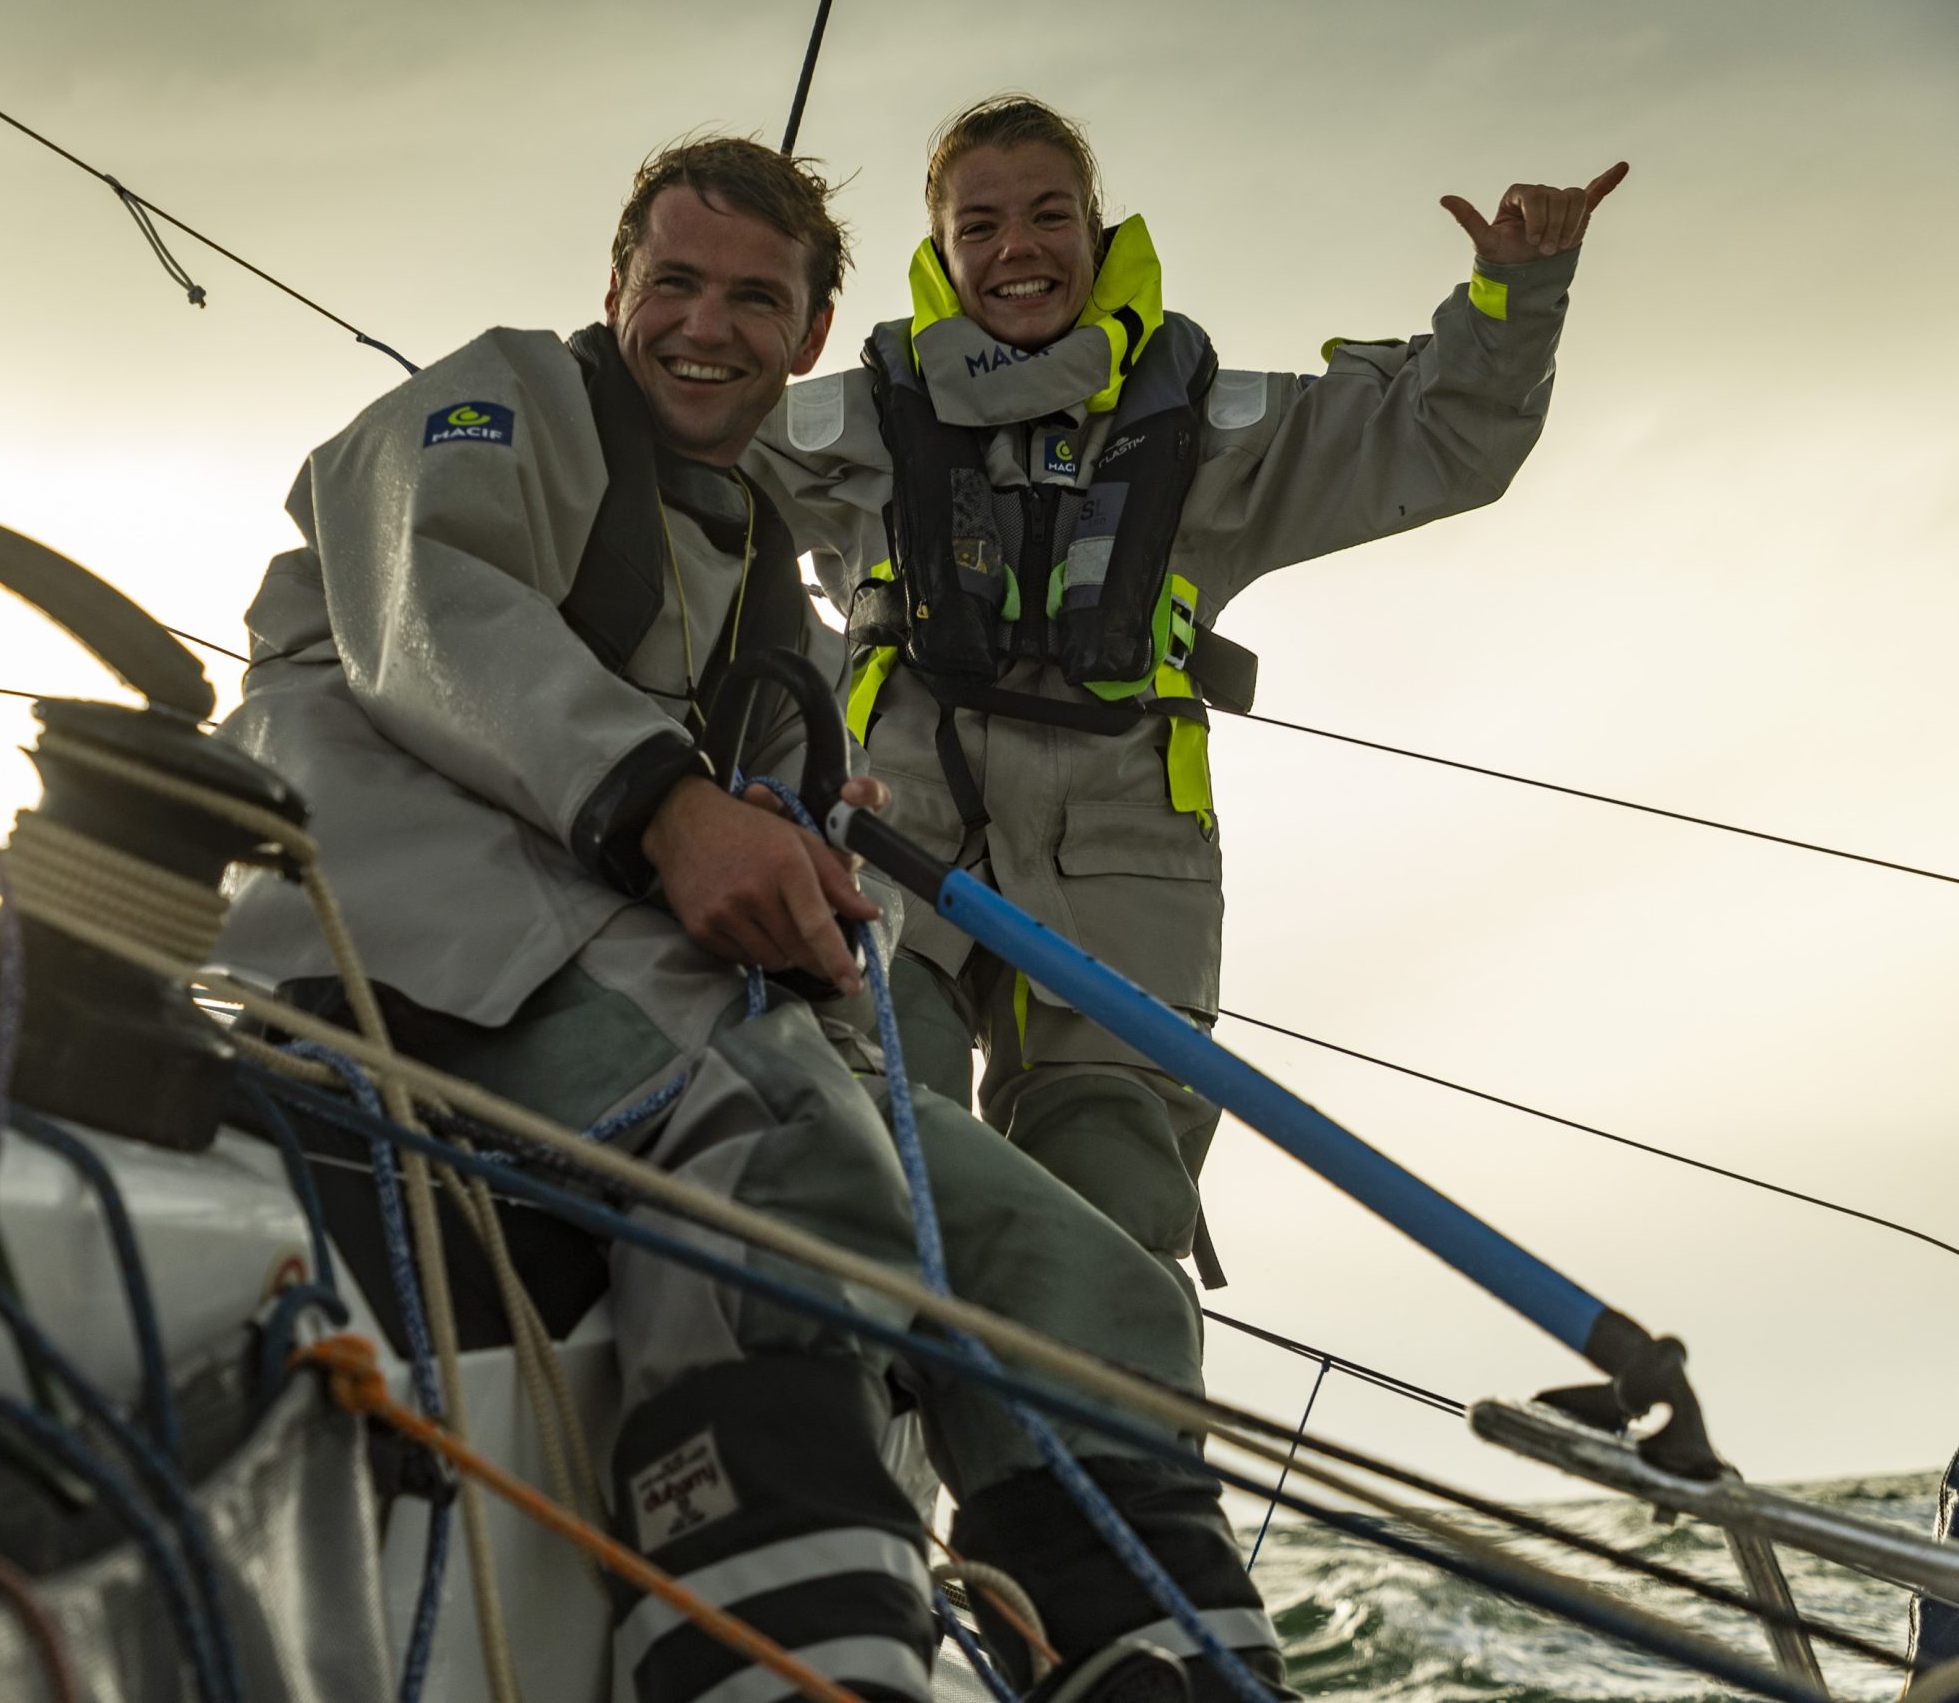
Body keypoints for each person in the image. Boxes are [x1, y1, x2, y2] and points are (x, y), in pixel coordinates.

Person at [216, 137, 1291, 1703]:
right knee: (790, 1156)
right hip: (419, 950)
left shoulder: (760, 592)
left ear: (803, 343)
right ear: (617, 290)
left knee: (1095, 1284)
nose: (703, 325)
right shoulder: (507, 398)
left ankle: (1181, 1674)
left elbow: (777, 842)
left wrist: (821, 932)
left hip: (648, 986)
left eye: (753, 299)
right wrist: (666, 800)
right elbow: (426, 602)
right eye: (675, 283)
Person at [746, 93, 1623, 1303]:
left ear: (1098, 235)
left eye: (1050, 215)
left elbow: (1440, 438)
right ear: (941, 252)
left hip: (1123, 887)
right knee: (864, 1150)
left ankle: (1092, 1474)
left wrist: (1513, 296)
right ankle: (850, 1436)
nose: (1018, 249)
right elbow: (674, 445)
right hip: (894, 859)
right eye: (981, 224)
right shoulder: (847, 426)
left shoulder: (1207, 426)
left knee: (1110, 1218)